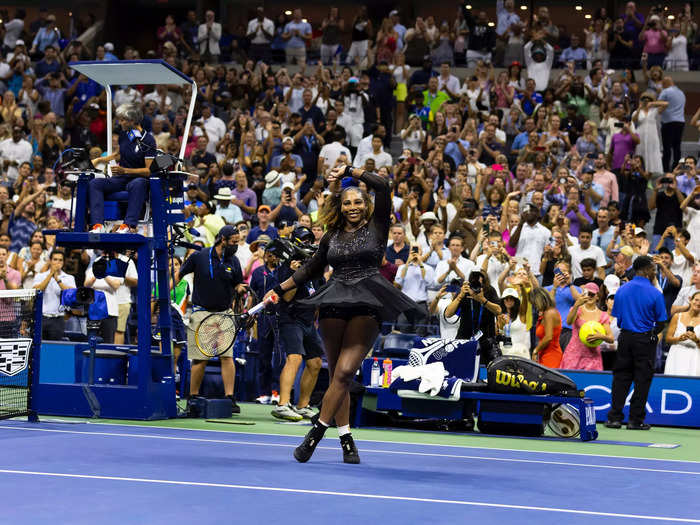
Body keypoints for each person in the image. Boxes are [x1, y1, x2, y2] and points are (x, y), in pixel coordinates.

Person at [266, 164, 419, 464]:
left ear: (366, 205)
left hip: (368, 300)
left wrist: (352, 171)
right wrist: (277, 288)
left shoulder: (377, 227)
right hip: (334, 300)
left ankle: (316, 433)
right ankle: (346, 438)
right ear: (340, 205)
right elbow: (311, 268)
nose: (353, 207)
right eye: (347, 202)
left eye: (358, 202)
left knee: (346, 372)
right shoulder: (331, 236)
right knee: (338, 375)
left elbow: (384, 186)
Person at [178, 225, 247, 413]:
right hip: (201, 312)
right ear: (222, 240)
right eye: (233, 242)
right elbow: (179, 274)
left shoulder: (234, 261)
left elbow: (238, 282)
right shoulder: (199, 256)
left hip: (225, 313)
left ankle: (230, 398)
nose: (236, 246)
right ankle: (192, 397)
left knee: (227, 356)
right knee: (200, 358)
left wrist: (240, 288)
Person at [606, 256, 667, 430]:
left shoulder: (622, 290)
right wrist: (652, 333)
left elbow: (617, 319)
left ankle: (614, 418)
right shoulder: (655, 293)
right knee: (642, 380)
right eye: (653, 268)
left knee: (621, 378)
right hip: (644, 340)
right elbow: (661, 321)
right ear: (646, 270)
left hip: (625, 338)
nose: (654, 271)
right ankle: (635, 420)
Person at [271, 228, 324, 421]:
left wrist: (315, 320)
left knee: (315, 363)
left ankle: (303, 405)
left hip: (309, 321)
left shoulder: (316, 268)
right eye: (302, 239)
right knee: (294, 359)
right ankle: (283, 404)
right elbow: (286, 297)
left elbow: (318, 295)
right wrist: (295, 274)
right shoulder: (287, 266)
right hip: (291, 319)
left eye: (309, 239)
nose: (306, 242)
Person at [89, 104, 154, 234]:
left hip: (138, 179)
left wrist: (125, 171)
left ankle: (128, 225)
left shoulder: (148, 140)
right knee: (95, 183)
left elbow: (149, 171)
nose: (120, 122)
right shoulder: (124, 135)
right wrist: (99, 160)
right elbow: (119, 155)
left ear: (133, 121)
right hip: (121, 178)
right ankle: (98, 225)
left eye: (123, 120)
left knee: (138, 183)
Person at [445, 270, 502, 363]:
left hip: (486, 340)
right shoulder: (464, 291)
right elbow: (448, 314)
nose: (476, 286)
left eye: (479, 283)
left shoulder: (489, 290)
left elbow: (499, 310)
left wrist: (482, 299)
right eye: (474, 282)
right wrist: (460, 296)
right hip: (465, 338)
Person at [560, 283, 613, 371]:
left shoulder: (602, 315)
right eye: (587, 293)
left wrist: (601, 336)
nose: (589, 296)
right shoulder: (577, 309)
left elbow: (611, 338)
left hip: (593, 357)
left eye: (592, 294)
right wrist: (577, 305)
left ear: (597, 297)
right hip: (574, 354)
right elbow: (569, 322)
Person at [33, 250, 76, 341]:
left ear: (63, 262)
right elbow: (37, 290)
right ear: (50, 261)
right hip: (41, 318)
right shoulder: (40, 276)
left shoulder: (69, 278)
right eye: (55, 259)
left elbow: (70, 295)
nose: (57, 262)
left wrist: (57, 279)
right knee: (39, 346)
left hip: (58, 319)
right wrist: (50, 275)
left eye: (60, 260)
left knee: (54, 348)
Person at [664, 291, 700, 376]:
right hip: (676, 355)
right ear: (691, 300)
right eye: (696, 300)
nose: (698, 303)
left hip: (695, 356)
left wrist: (696, 339)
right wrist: (679, 338)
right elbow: (668, 339)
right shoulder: (677, 316)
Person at [632, 91, 667, 175]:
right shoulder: (637, 111)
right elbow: (634, 119)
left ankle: (654, 171)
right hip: (641, 134)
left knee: (653, 151)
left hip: (652, 135)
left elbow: (666, 104)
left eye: (648, 99)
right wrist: (639, 108)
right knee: (640, 151)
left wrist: (653, 104)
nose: (646, 101)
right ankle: (640, 171)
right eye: (644, 99)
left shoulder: (655, 110)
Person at [658, 76, 686, 172]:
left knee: (667, 147)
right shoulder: (681, 93)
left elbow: (659, 104)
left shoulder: (665, 92)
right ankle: (676, 168)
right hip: (680, 122)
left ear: (665, 83)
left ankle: (665, 169)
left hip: (668, 122)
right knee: (677, 147)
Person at [531, 286, 563, 368]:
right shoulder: (546, 313)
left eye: (535, 303)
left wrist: (535, 350)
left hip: (552, 355)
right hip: (544, 353)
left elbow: (548, 337)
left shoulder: (549, 313)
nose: (535, 307)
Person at [497, 286, 530, 359]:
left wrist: (522, 286)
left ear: (516, 300)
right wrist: (501, 325)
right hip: (504, 353)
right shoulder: (500, 316)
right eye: (506, 298)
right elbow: (498, 334)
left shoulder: (521, 314)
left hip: (520, 353)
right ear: (503, 300)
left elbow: (525, 301)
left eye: (511, 298)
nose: (509, 301)